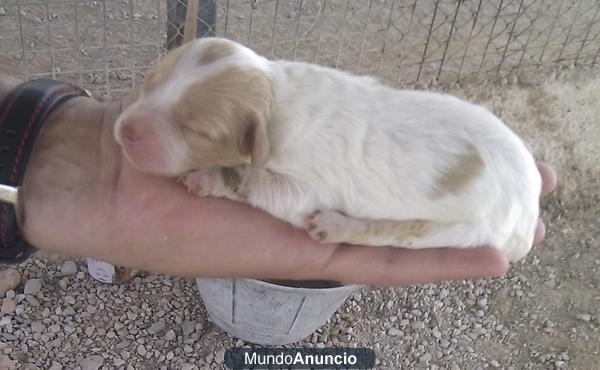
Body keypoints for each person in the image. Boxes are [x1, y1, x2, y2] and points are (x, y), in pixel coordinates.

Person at [0, 74, 557, 285]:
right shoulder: (296, 97)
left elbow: (293, 200)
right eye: (151, 83)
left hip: (484, 202)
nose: (125, 126)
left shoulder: (293, 149)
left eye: (191, 126)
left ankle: (355, 228)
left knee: (371, 228)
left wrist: (225, 183)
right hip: (488, 154)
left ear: (255, 144)